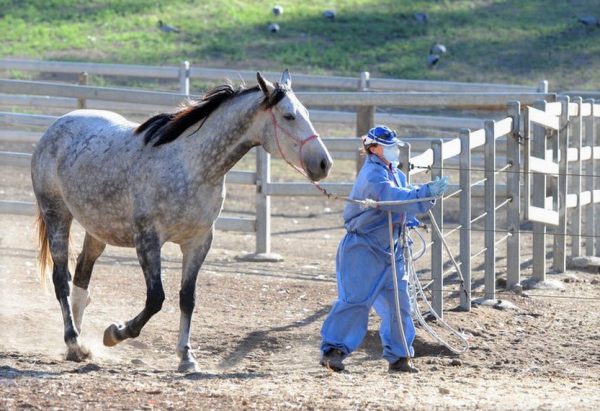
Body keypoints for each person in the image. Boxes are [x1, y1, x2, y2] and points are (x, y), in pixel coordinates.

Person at [319, 125, 448, 373]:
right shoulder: (372, 174)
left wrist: (414, 210)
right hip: (364, 249)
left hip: (392, 249)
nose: (393, 151)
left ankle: (399, 356)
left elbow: (404, 197)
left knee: (399, 304)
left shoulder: (395, 173)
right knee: (355, 302)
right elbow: (390, 196)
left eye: (394, 146)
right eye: (388, 147)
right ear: (374, 148)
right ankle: (333, 352)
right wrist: (425, 192)